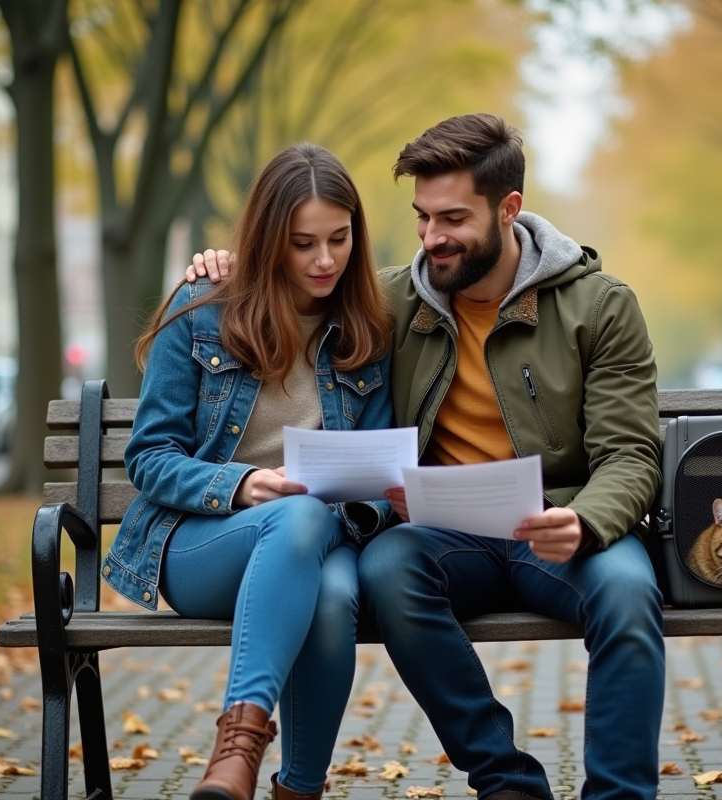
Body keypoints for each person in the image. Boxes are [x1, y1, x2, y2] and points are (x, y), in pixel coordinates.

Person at [188, 114, 665, 800]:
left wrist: (586, 521)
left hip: (559, 529)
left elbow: (631, 454)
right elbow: (288, 285)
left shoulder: (600, 306)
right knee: (386, 567)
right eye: (421, 217)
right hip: (447, 536)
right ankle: (506, 783)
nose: (432, 237)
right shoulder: (386, 301)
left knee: (626, 587)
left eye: (452, 218)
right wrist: (223, 267)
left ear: (509, 210)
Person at [106, 143, 395, 800]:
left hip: (328, 541)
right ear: (268, 240)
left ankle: (296, 789)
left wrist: (376, 499)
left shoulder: (367, 329)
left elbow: (378, 473)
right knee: (294, 514)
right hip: (203, 543)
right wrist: (238, 485)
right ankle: (239, 746)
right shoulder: (205, 307)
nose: (325, 260)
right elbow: (149, 457)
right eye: (301, 243)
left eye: (339, 239)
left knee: (331, 595)